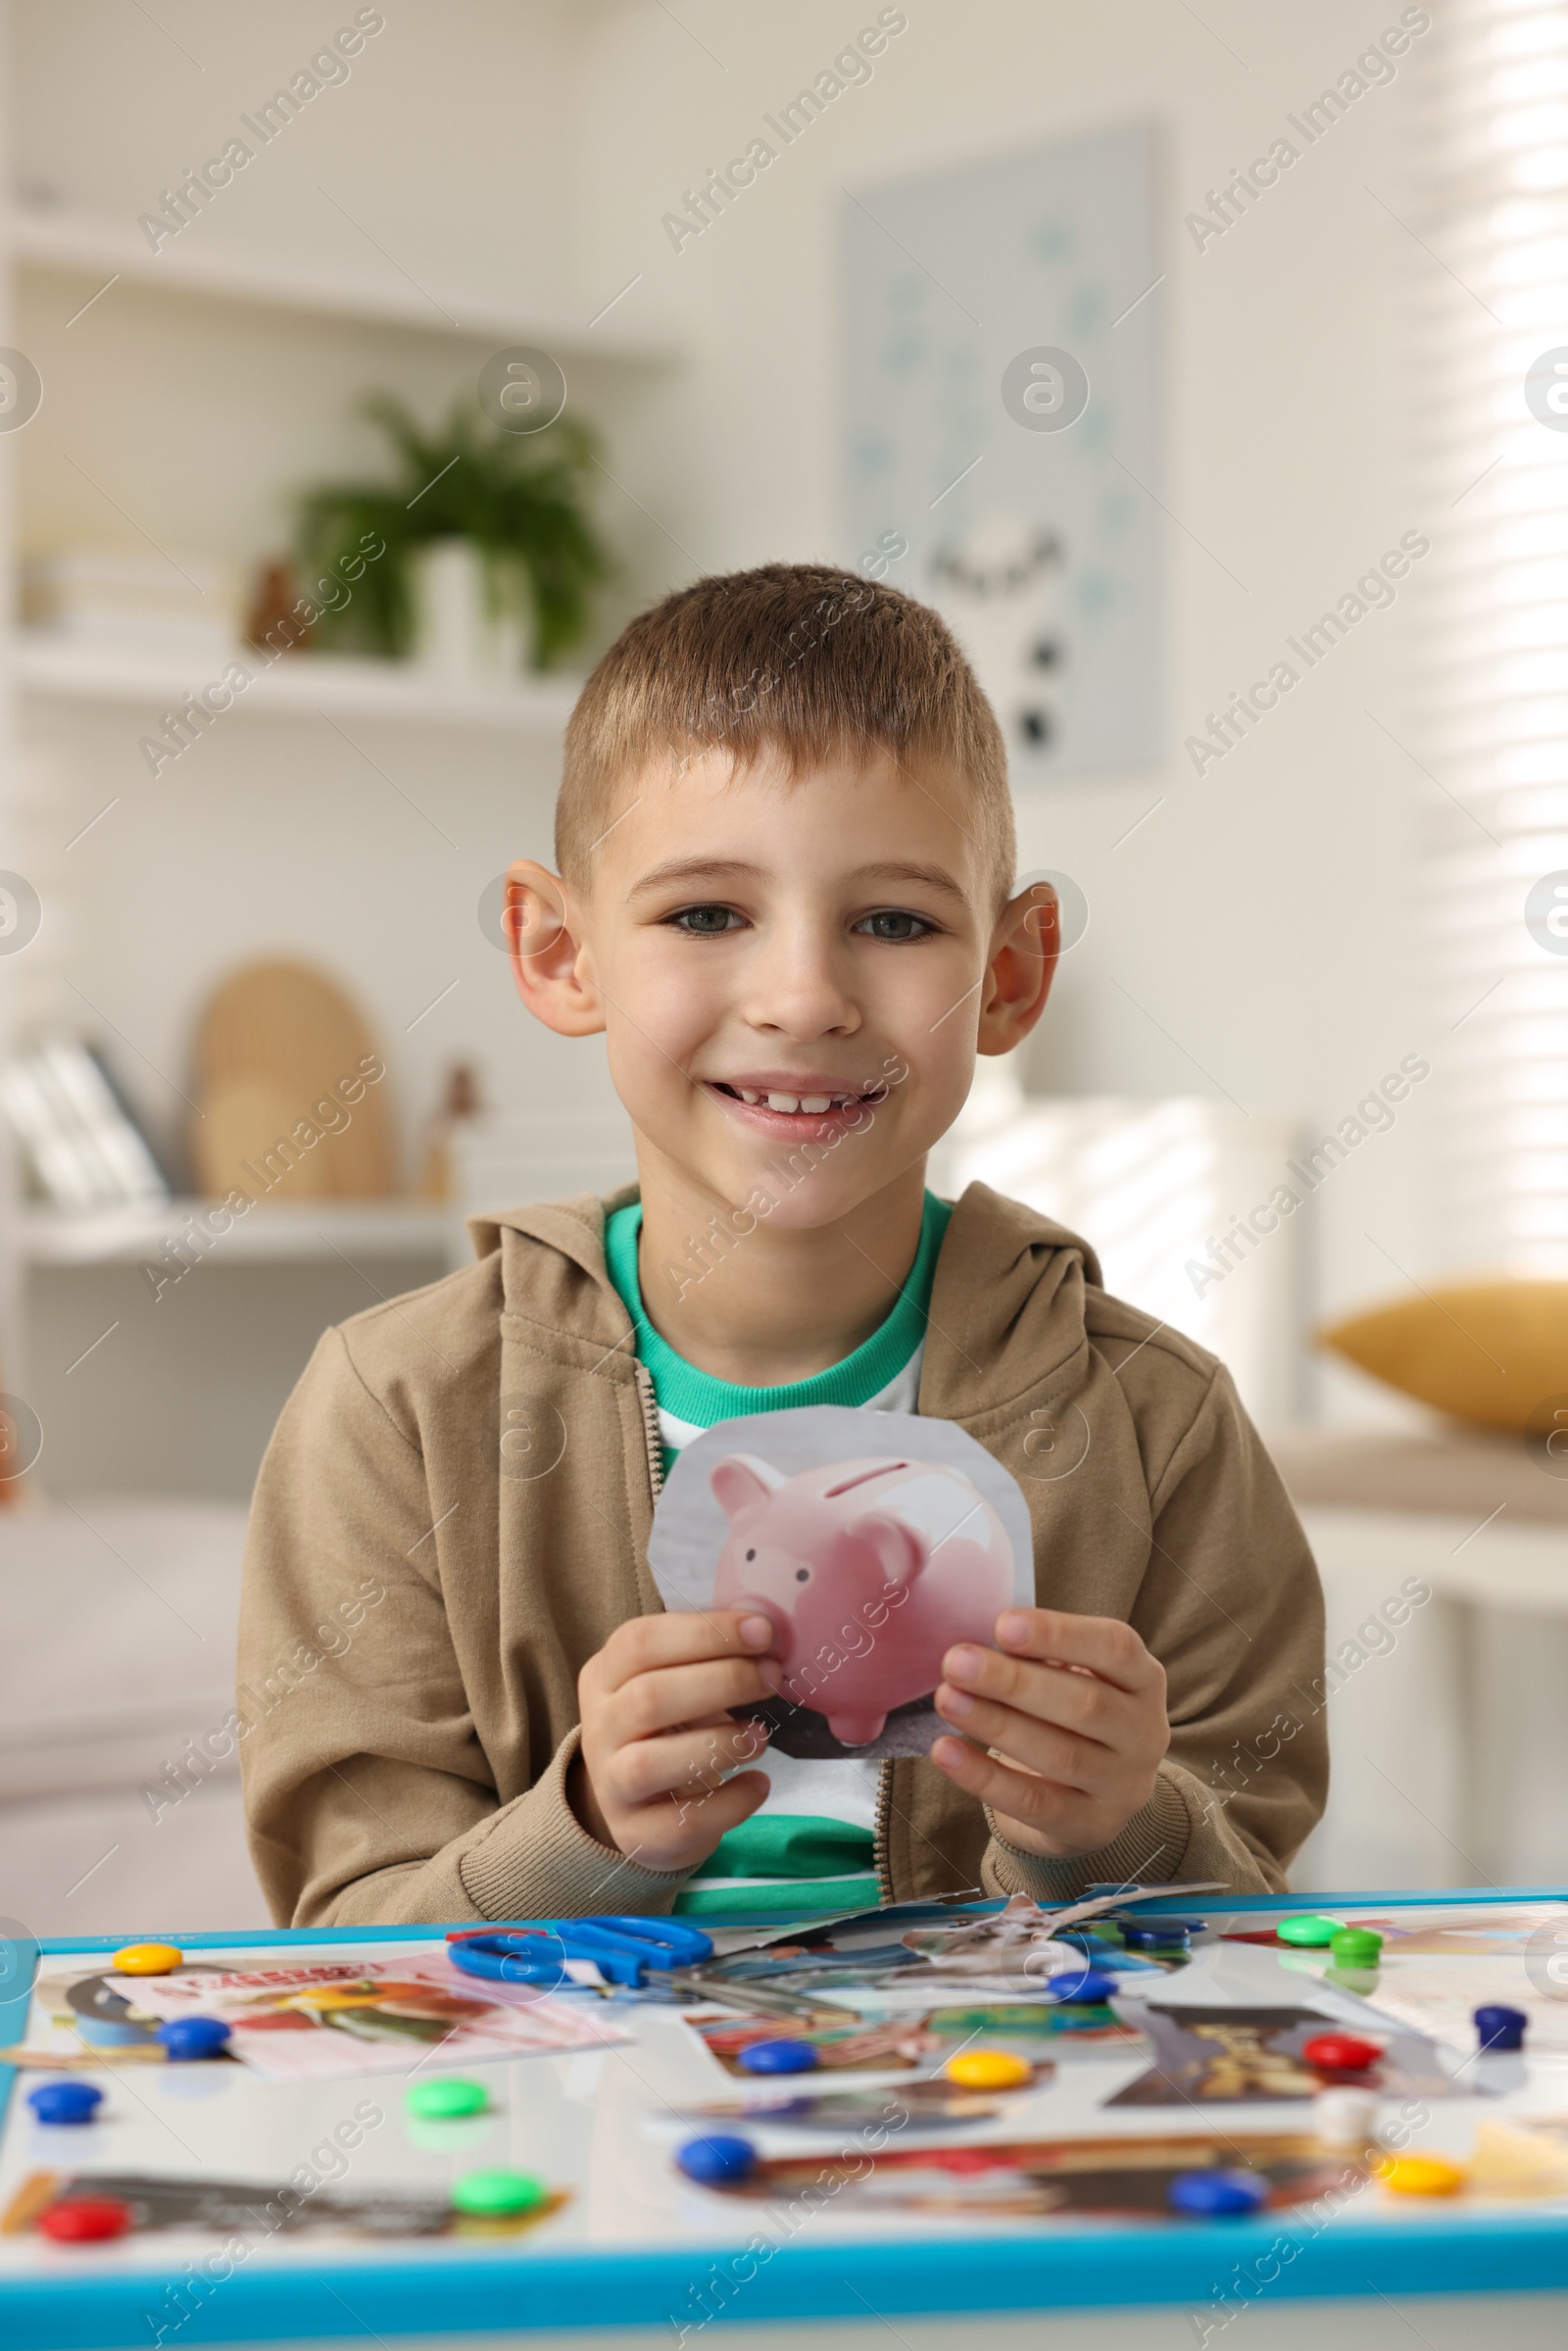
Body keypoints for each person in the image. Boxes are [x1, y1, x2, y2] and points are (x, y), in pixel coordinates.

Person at [239, 563, 1326, 1927]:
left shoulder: (1161, 1431)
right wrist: (584, 1832)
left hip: (994, 2127)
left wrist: (1115, 1827)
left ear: (1009, 972)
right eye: (706, 914)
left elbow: (1252, 1923)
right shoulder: (395, 1415)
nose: (804, 996)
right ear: (559, 952)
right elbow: (345, 1941)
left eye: (894, 921)